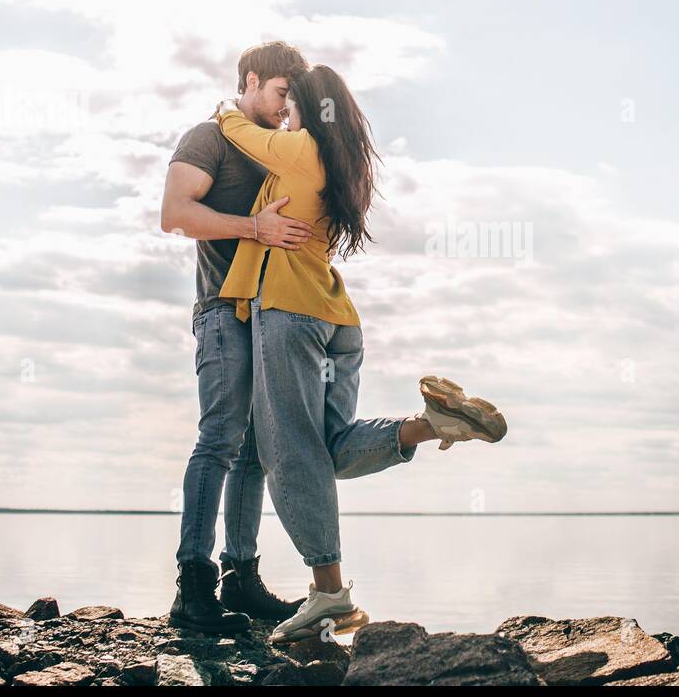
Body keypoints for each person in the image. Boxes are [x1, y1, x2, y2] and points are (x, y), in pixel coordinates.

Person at [213, 64, 508, 642]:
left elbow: (238, 131)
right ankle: (431, 424)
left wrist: (229, 104)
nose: (284, 114)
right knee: (325, 450)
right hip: (335, 321)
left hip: (289, 313)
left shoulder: (300, 149)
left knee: (288, 454)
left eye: (290, 104)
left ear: (308, 108)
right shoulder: (346, 161)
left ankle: (329, 594)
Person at [160, 42, 314, 634]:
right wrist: (257, 227)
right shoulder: (209, 137)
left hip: (274, 315)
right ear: (251, 81)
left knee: (255, 453)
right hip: (224, 310)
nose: (285, 108)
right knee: (220, 438)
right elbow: (175, 213)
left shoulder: (279, 149)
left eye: (293, 101)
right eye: (280, 94)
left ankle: (241, 579)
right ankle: (192, 587)